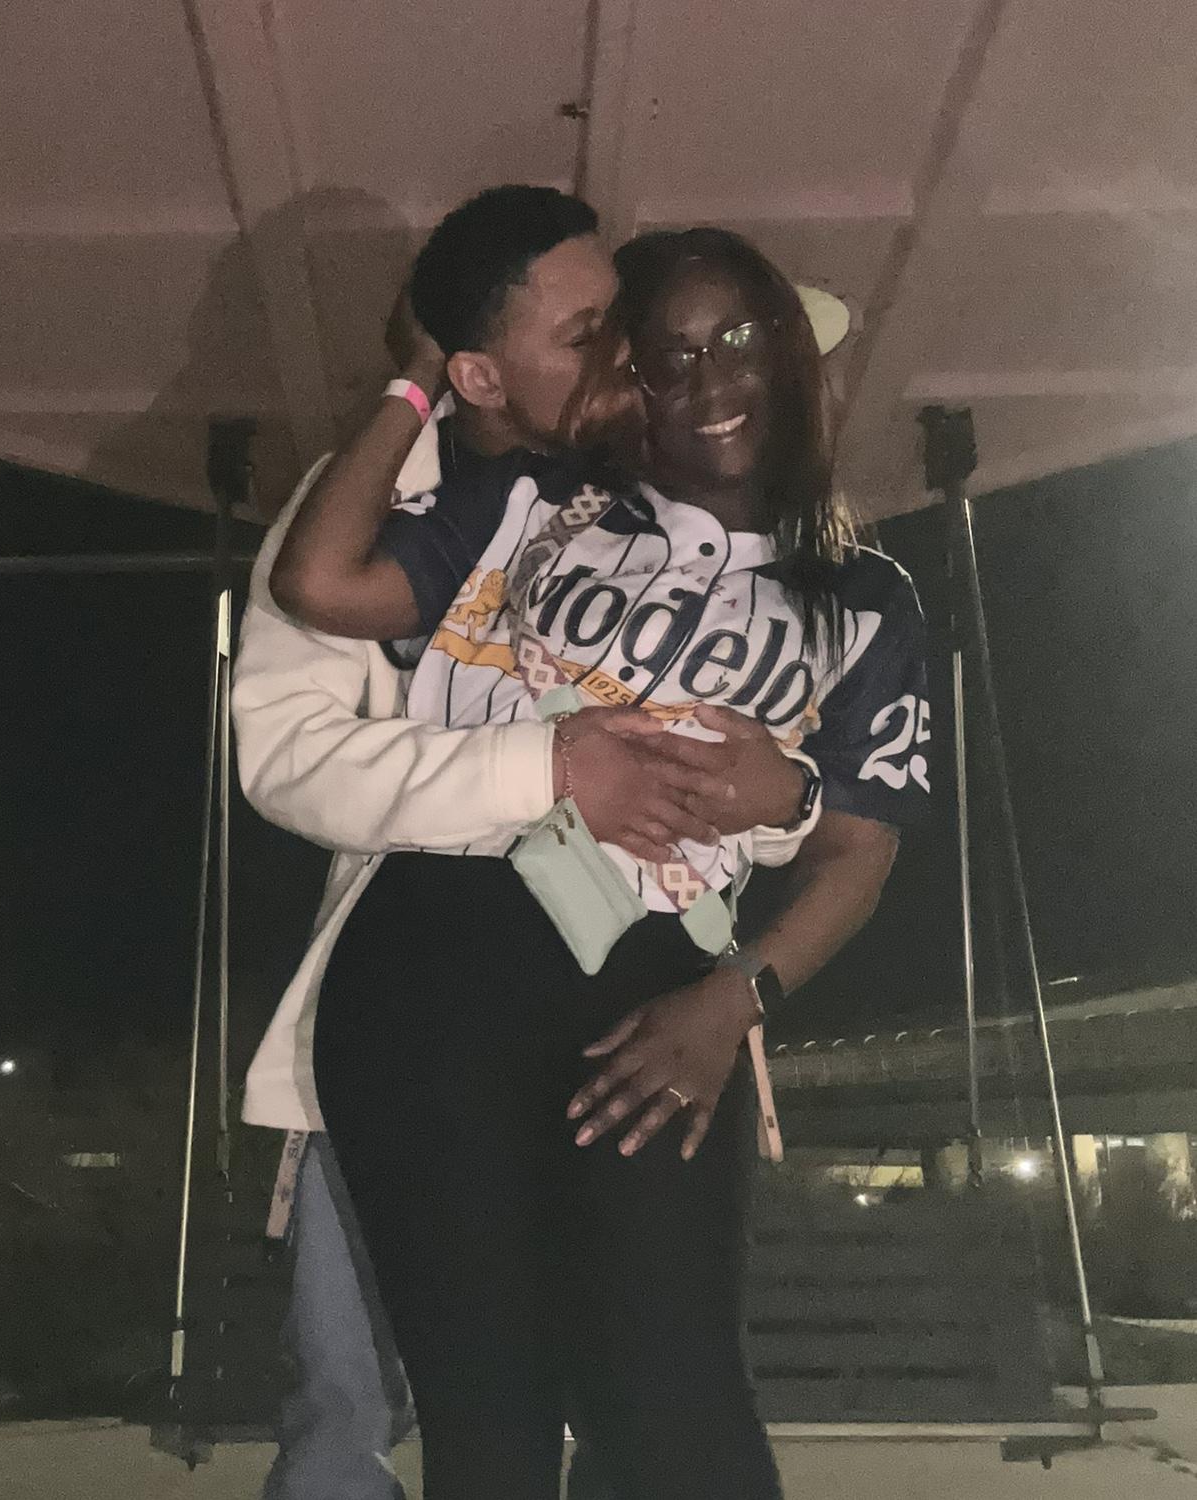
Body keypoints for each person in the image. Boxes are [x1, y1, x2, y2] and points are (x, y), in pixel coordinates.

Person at [273, 225, 929, 1499]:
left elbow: (860, 848)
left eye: (738, 338)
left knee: (678, 1403)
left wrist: (736, 998)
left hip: (658, 998)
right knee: (490, 1427)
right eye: (668, 354)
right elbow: (320, 581)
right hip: (429, 969)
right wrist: (421, 372)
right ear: (635, 383)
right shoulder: (539, 506)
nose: (709, 376)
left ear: (791, 355)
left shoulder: (864, 599)